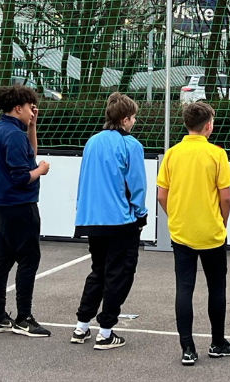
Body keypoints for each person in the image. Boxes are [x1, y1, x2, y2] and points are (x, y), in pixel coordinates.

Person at [157, 102, 230, 366]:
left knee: (184, 288)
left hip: (182, 232)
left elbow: (161, 194)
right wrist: (222, 222)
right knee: (216, 288)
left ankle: (188, 349)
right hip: (212, 232)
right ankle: (217, 343)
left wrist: (176, 216)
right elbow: (225, 197)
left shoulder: (172, 154)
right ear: (208, 125)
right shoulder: (216, 154)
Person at [71, 92, 148, 350]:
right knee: (120, 272)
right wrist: (141, 214)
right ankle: (105, 330)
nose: (134, 122)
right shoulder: (131, 145)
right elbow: (136, 183)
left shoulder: (92, 141)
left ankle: (82, 325)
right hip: (120, 220)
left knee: (99, 270)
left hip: (93, 218)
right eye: (134, 117)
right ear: (125, 119)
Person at [0, 85, 51, 337]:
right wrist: (40, 170)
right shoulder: (11, 135)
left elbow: (29, 153)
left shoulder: (2, 129)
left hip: (3, 204)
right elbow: (21, 176)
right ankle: (24, 317)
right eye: (29, 108)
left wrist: (32, 126)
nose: (32, 111)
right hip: (18, 205)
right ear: (18, 108)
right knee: (28, 259)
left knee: (2, 258)